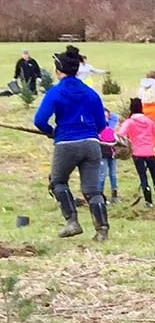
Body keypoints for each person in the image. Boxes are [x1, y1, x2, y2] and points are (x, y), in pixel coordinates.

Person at [33, 46, 110, 240]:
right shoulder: (91, 93)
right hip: (92, 144)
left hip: (66, 143)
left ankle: (72, 221)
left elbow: (40, 120)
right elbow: (102, 125)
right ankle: (102, 230)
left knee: (58, 181)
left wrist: (52, 132)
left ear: (59, 71)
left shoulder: (55, 92)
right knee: (93, 190)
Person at [118, 97, 155, 207]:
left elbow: (120, 135)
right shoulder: (149, 121)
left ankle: (148, 201)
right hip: (150, 152)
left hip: (137, 153)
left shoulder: (129, 122)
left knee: (143, 177)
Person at [98, 109, 121, 204]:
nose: (106, 119)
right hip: (102, 154)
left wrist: (107, 114)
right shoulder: (97, 128)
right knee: (102, 175)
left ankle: (114, 195)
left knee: (113, 175)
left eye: (107, 117)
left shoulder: (110, 126)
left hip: (112, 153)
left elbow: (115, 117)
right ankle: (100, 195)